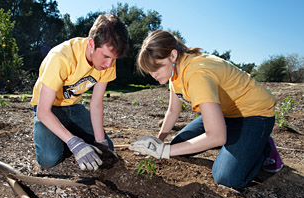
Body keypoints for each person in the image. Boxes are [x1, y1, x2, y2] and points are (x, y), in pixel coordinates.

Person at [129, 30, 283, 189]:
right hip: (226, 113)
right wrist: (159, 142)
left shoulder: (198, 74)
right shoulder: (174, 73)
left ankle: (263, 146)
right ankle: (240, 138)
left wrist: (163, 152)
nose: (153, 74)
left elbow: (216, 136)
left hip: (254, 114)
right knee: (179, 147)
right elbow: (173, 111)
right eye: (149, 70)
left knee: (227, 178)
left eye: (157, 67)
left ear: (173, 55)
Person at [30, 14, 129, 171]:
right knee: (49, 159)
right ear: (91, 44)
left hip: (74, 108)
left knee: (107, 147)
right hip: (49, 109)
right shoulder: (61, 58)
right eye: (105, 56)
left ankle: (66, 135)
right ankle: (66, 137)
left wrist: (100, 142)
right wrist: (74, 142)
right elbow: (43, 111)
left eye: (113, 58)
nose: (109, 64)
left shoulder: (108, 62)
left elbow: (96, 104)